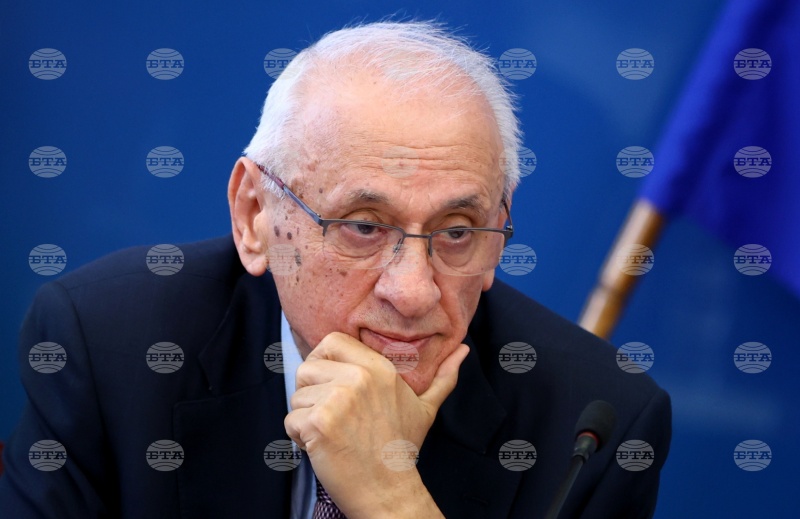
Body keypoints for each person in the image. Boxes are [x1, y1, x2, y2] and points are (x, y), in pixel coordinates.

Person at [0, 21, 671, 518]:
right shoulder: (110, 346)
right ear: (254, 216)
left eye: (457, 232)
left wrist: (392, 500)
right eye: (363, 227)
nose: (413, 292)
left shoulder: (592, 427)